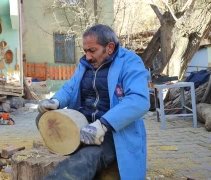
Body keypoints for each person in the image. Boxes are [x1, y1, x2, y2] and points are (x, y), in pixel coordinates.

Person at [37, 24, 150, 180]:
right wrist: (55, 101)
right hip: (84, 125)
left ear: (109, 47)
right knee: (42, 117)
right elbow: (70, 88)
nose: (88, 56)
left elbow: (139, 100)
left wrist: (103, 124)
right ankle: (71, 144)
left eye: (92, 50)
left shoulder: (130, 62)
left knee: (85, 159)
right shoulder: (86, 64)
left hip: (112, 130)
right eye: (85, 51)